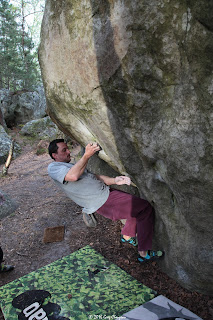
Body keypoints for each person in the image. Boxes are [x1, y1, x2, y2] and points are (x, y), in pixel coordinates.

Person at [48, 139, 164, 263]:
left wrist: (115, 180)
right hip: (103, 200)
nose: (68, 151)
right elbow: (73, 176)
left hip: (106, 193)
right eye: (64, 150)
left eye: (67, 148)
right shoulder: (53, 167)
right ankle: (143, 253)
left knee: (136, 206)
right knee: (144, 208)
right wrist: (86, 155)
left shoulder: (71, 165)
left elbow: (95, 177)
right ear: (55, 155)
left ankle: (127, 235)